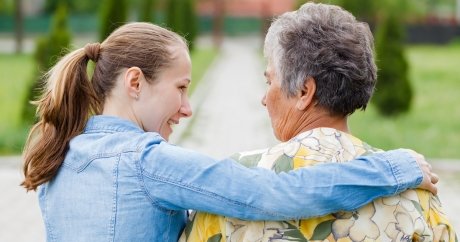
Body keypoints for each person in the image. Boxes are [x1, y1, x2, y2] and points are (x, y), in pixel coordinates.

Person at [21, 22, 437, 241]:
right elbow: (275, 194)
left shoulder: (58, 159)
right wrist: (394, 167)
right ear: (135, 82)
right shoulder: (148, 162)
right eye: (181, 88)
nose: (187, 108)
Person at [181, 3, 457, 242]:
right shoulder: (417, 192)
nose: (264, 99)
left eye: (269, 81)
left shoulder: (234, 186)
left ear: (304, 91)